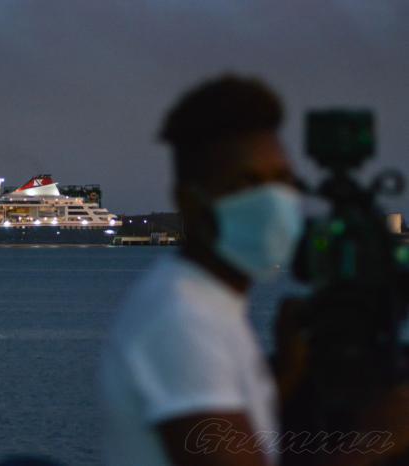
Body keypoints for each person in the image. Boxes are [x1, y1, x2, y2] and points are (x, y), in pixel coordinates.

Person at [99, 74, 409, 466]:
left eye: (282, 180)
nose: (273, 201)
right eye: (248, 183)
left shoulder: (208, 305)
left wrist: (284, 376)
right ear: (190, 203)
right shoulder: (182, 322)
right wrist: (380, 438)